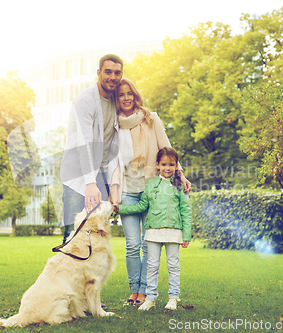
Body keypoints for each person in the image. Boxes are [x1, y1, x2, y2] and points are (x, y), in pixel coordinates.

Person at [114, 80, 191, 306]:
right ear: (116, 99)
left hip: (151, 189)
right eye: (121, 95)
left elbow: (166, 147)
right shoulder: (115, 124)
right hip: (127, 188)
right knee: (131, 244)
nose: (126, 98)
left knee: (149, 243)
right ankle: (134, 291)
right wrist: (114, 189)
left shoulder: (151, 118)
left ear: (135, 95)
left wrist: (181, 174)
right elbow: (111, 160)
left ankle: (146, 292)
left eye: (130, 93)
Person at [114, 147, 191, 311]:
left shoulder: (179, 186)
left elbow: (186, 211)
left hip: (174, 232)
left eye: (171, 164)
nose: (167, 168)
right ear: (157, 165)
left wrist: (187, 235)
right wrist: (120, 209)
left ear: (177, 166)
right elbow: (142, 206)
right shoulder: (150, 185)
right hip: (153, 232)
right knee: (152, 266)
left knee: (173, 265)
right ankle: (150, 298)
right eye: (164, 164)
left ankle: (173, 298)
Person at [60, 54, 123, 244]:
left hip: (100, 176)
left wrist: (113, 185)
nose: (113, 77)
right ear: (98, 73)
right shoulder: (85, 100)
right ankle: (65, 273)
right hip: (77, 175)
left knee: (96, 233)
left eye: (117, 73)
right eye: (108, 72)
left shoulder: (116, 101)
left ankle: (90, 274)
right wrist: (90, 184)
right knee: (73, 232)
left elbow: (113, 146)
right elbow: (85, 144)